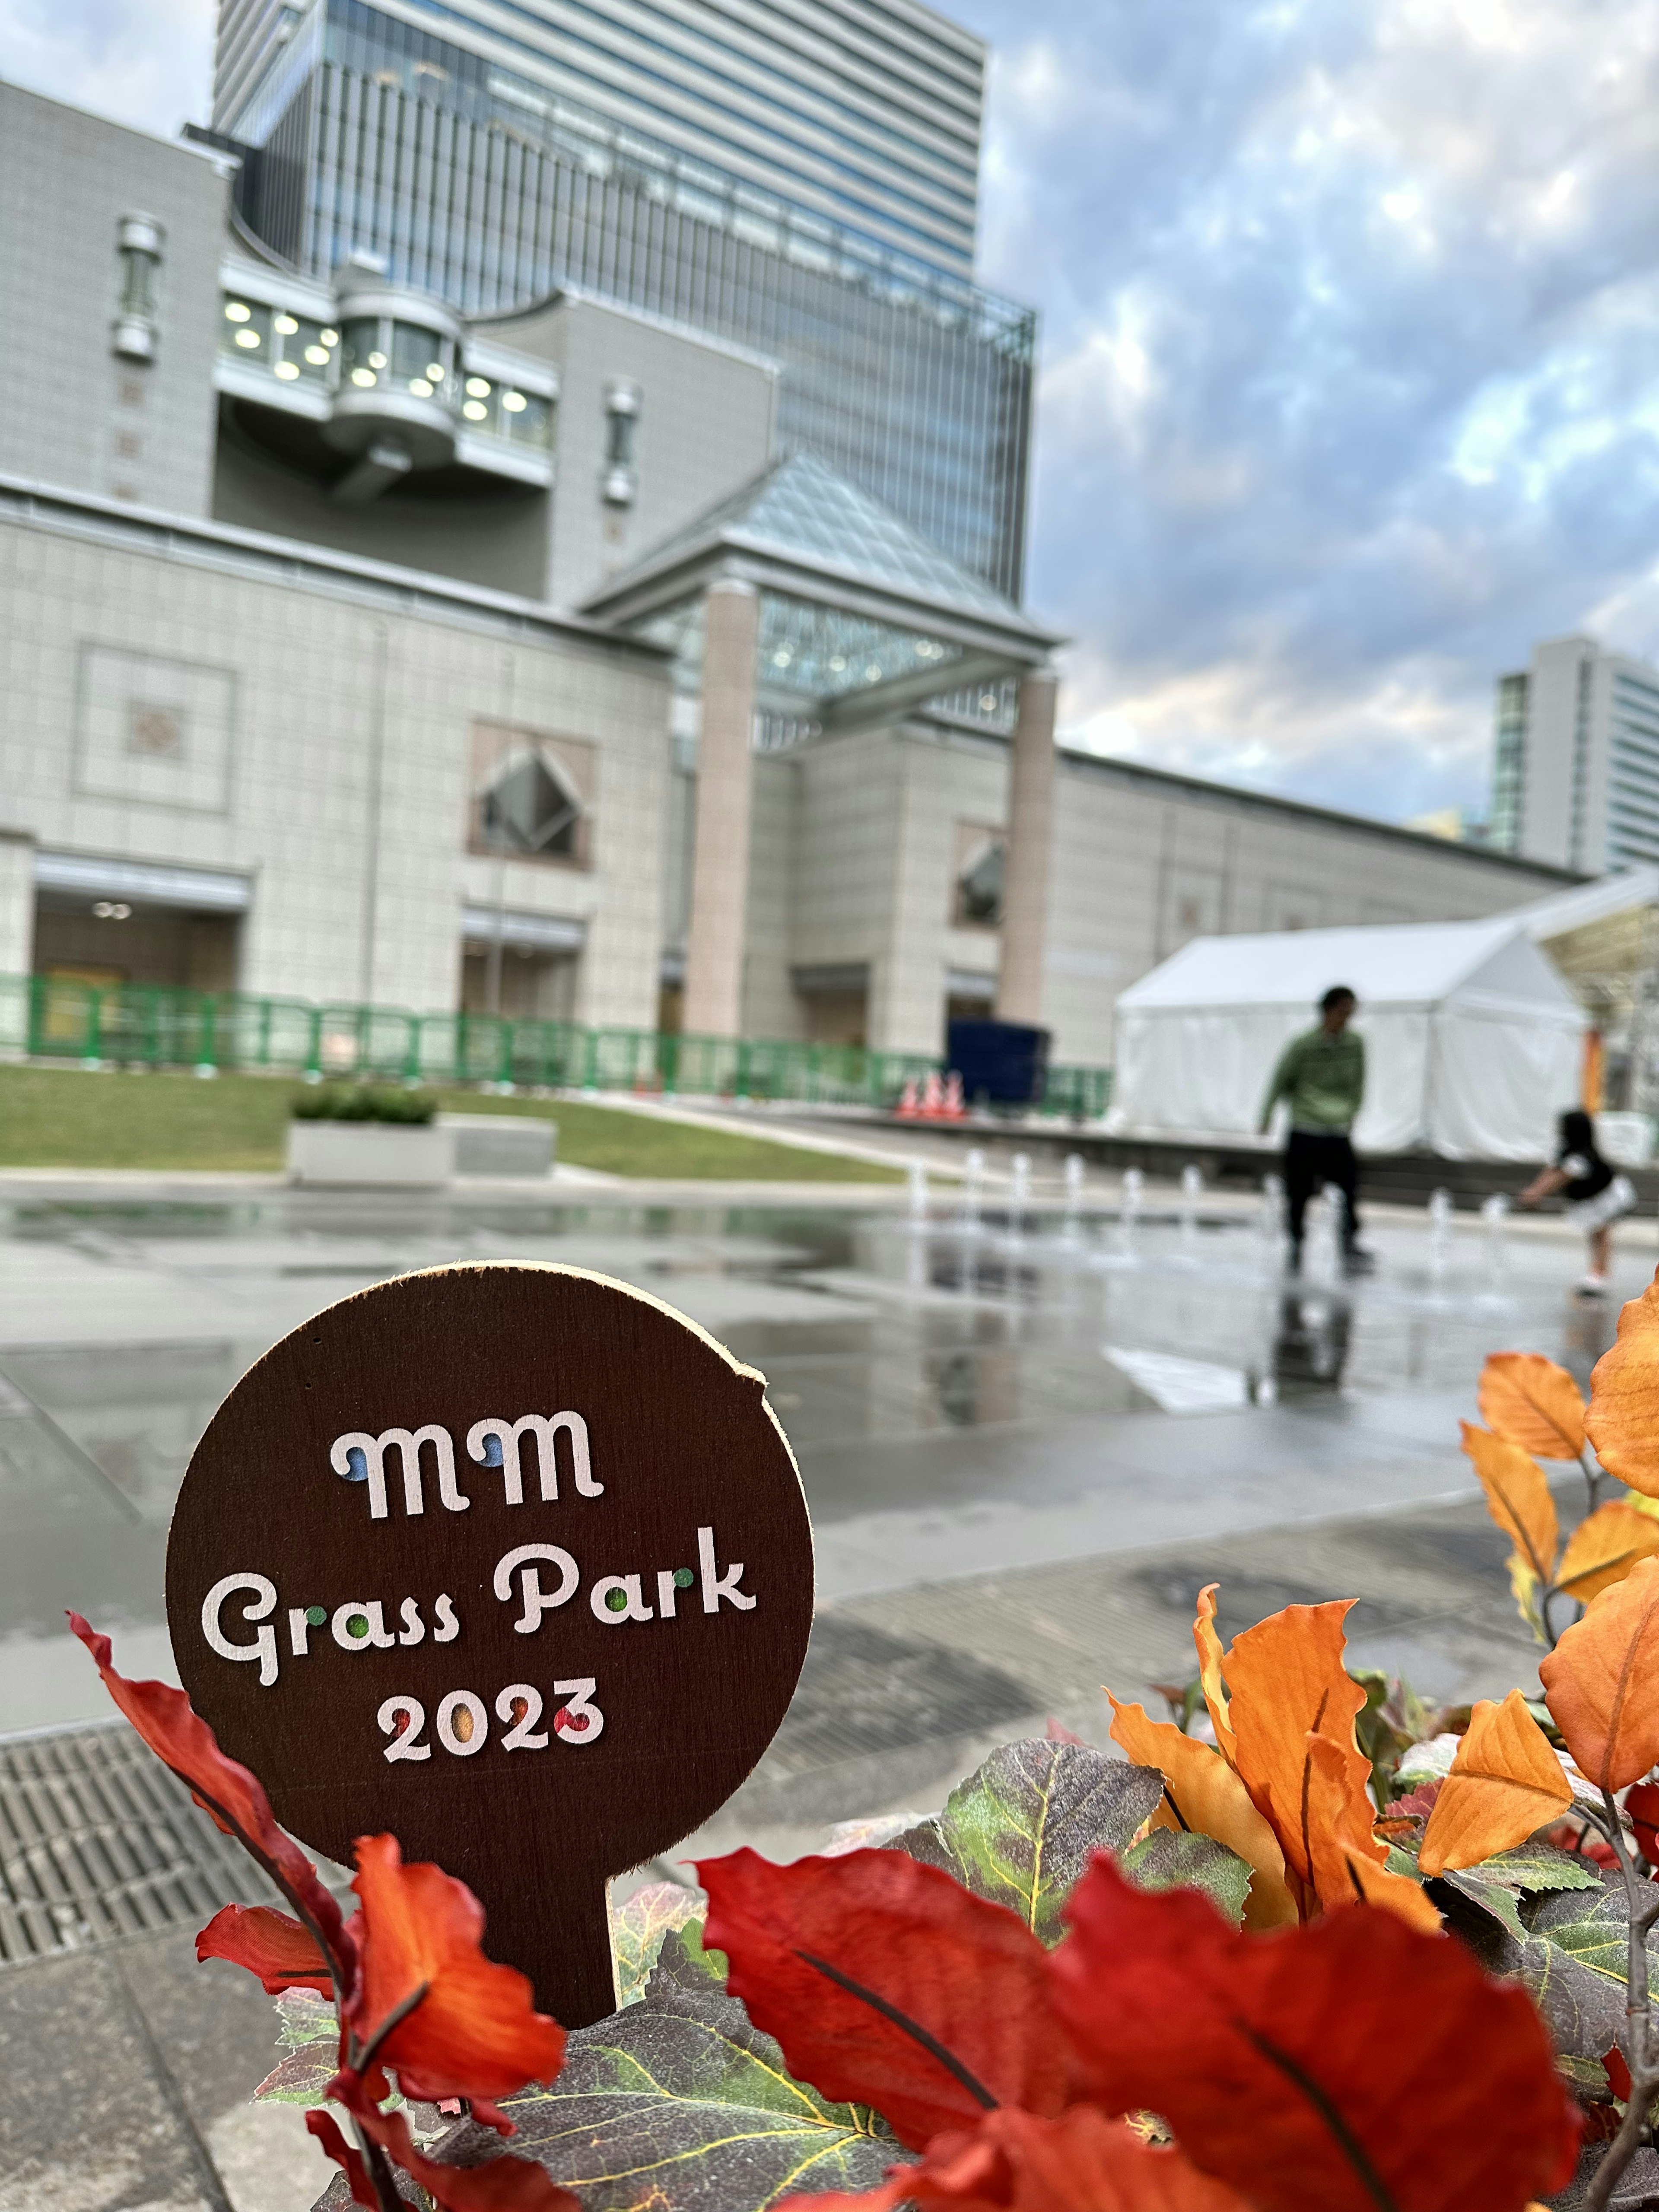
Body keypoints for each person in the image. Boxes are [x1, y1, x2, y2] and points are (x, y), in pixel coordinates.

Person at [1259, 985, 1375, 1275]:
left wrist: (1352, 1112)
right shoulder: (1304, 1044)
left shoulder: (1356, 1043)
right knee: (1299, 1188)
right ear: (1328, 1010)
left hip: (1337, 1128)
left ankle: (1348, 1241)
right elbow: (1281, 1079)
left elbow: (1360, 1081)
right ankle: (1296, 1238)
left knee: (1348, 1186)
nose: (1347, 1017)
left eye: (1351, 1012)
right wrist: (1267, 1114)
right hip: (1306, 1126)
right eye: (1343, 1011)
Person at [1516, 1109, 1637, 1298]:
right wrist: (1535, 1189)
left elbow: (1560, 1177)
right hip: (1592, 1198)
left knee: (1602, 1234)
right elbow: (1552, 1171)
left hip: (1607, 1197)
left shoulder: (1582, 1157)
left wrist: (1537, 1193)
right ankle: (1597, 1272)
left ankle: (1600, 1275)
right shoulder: (1567, 1150)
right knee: (1596, 1233)